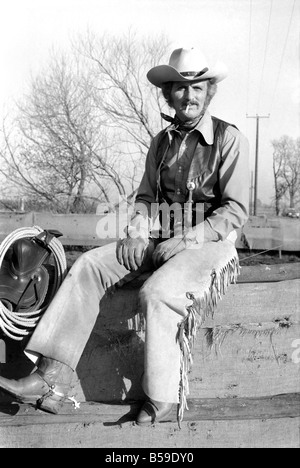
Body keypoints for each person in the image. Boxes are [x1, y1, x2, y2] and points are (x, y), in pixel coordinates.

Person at [0, 47, 249, 427]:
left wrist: (187, 240)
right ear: (168, 93)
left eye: (197, 87)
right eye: (179, 88)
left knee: (157, 293)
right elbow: (146, 198)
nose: (189, 96)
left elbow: (235, 210)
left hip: (210, 244)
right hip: (161, 238)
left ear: (208, 91)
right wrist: (136, 230)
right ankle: (47, 379)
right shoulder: (161, 142)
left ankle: (162, 397)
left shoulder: (229, 139)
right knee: (87, 266)